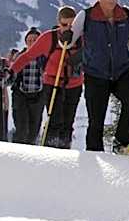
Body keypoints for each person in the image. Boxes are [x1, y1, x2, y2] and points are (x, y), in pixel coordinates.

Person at [70, 0, 129, 153]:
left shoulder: (126, 16)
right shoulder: (86, 16)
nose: (112, 1)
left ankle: (121, 144)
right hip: (96, 73)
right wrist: (65, 39)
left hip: (122, 70)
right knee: (96, 119)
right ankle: (94, 153)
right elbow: (68, 41)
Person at [9, 10, 84, 148]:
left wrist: (80, 56)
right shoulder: (49, 38)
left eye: (71, 24)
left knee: (68, 120)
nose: (68, 27)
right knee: (54, 118)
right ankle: (50, 147)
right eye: (64, 24)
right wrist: (11, 71)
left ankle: (65, 147)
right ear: (58, 23)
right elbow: (27, 56)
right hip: (52, 82)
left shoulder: (81, 37)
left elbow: (96, 52)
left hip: (74, 83)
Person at [8, 29, 46, 145]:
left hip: (38, 96)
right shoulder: (19, 57)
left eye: (35, 40)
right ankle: (18, 154)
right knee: (21, 128)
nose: (32, 42)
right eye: (29, 40)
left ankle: (30, 155)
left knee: (34, 130)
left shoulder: (44, 57)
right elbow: (10, 78)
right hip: (21, 96)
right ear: (26, 42)